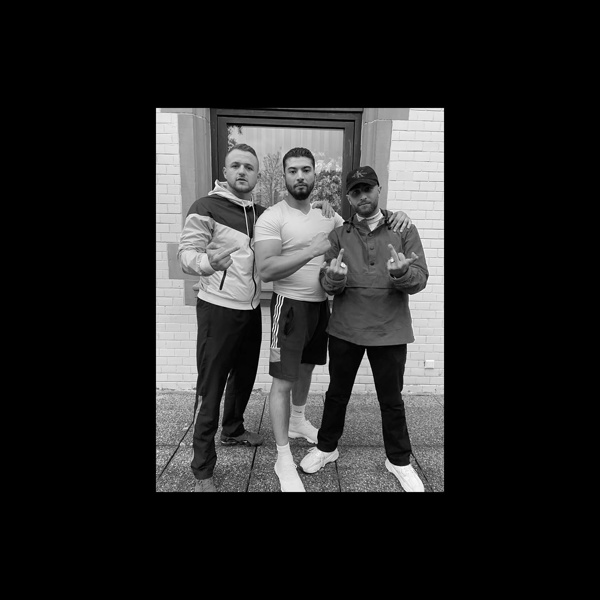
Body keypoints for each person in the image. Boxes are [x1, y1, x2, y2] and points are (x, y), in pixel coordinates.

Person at [177, 144, 338, 493]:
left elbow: (295, 217)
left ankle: (233, 430)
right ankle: (202, 470)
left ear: (258, 176)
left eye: (249, 167)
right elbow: (186, 253)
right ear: (225, 171)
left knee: (244, 377)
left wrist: (322, 206)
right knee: (211, 387)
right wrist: (206, 264)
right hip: (218, 308)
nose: (242, 172)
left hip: (250, 308)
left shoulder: (261, 212)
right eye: (236, 165)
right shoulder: (206, 207)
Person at [254, 149, 413, 492]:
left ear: (315, 174)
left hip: (327, 312)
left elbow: (371, 225)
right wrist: (319, 260)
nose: (300, 176)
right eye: (292, 170)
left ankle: (300, 421)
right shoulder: (274, 217)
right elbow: (267, 270)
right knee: (290, 382)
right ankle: (287, 457)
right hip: (295, 308)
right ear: (284, 175)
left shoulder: (332, 217)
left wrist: (397, 218)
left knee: (310, 371)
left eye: (306, 170)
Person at [298, 165, 429, 492]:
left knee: (391, 399)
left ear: (378, 189)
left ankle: (398, 460)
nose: (362, 196)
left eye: (367, 189)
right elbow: (327, 282)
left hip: (390, 329)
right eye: (355, 191)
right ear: (348, 197)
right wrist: (334, 279)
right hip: (346, 329)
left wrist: (402, 274)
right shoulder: (338, 235)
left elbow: (420, 279)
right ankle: (327, 447)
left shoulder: (403, 228)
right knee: (337, 394)